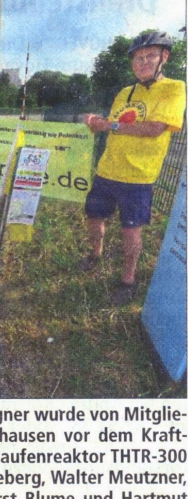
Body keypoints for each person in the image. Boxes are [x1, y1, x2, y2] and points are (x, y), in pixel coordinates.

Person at [81, 31, 186, 305]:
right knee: (94, 218)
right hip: (107, 171)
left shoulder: (174, 88)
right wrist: (96, 123)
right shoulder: (125, 93)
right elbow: (114, 125)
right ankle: (95, 253)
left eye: (149, 56)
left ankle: (128, 279)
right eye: (137, 58)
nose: (142, 63)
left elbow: (155, 128)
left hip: (138, 177)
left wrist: (110, 125)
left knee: (131, 230)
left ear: (164, 57)